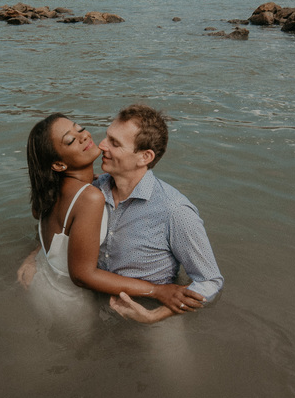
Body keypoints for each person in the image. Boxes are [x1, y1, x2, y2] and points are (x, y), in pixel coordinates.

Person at [23, 113, 205, 327]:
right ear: (59, 165)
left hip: (41, 280)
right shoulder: (90, 197)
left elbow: (53, 232)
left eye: (79, 129)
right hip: (69, 300)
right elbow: (82, 276)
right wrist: (156, 290)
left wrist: (33, 256)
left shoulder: (51, 190)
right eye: (70, 140)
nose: (83, 136)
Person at [94, 103, 224, 325]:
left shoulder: (174, 210)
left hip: (150, 308)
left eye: (115, 143)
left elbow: (210, 281)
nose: (102, 145)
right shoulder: (95, 190)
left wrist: (155, 316)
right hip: (95, 301)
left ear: (144, 157)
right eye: (107, 137)